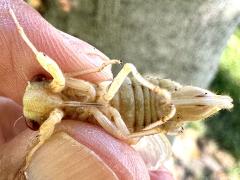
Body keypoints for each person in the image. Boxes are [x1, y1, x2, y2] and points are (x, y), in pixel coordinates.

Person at [0, 0, 173, 179]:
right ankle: (160, 122)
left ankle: (158, 105)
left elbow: (72, 71)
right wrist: (31, 155)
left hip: (123, 101)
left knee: (126, 74)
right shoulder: (58, 108)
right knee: (131, 138)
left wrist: (20, 29)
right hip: (116, 118)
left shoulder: (61, 88)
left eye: (39, 80)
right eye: (34, 122)